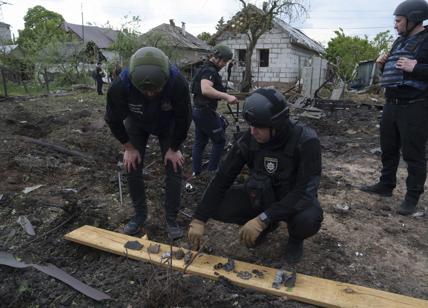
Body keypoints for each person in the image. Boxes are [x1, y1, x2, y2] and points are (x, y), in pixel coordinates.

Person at [187, 88, 323, 264]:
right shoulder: (249, 139)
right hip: (261, 195)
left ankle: (294, 239)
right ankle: (266, 226)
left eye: (258, 127)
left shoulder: (306, 141)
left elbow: (305, 192)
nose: (252, 132)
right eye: (251, 126)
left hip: (293, 200)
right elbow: (222, 178)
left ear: (277, 124)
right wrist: (199, 219)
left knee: (308, 220)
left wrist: (263, 219)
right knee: (217, 206)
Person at [105, 47, 192, 239]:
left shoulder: (178, 82)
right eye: (146, 90)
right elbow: (112, 119)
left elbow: (184, 118)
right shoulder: (120, 85)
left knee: (174, 166)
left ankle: (171, 219)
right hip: (136, 122)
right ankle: (139, 215)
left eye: (156, 90)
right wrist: (128, 147)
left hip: (168, 124)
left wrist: (174, 148)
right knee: (132, 165)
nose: (151, 94)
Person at [361, 0, 428, 215]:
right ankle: (386, 185)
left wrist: (417, 67)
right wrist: (381, 64)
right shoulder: (399, 42)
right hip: (392, 104)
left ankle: (411, 198)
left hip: (415, 106)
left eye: (398, 21)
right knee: (388, 148)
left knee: (413, 154)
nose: (395, 25)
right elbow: (394, 70)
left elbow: (413, 69)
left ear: (414, 19)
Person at [191, 45, 238, 176]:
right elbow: (206, 89)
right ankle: (213, 170)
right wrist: (227, 96)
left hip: (198, 110)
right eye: (224, 61)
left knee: (200, 141)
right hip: (205, 112)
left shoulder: (205, 68)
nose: (224, 64)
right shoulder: (209, 71)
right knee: (220, 140)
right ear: (217, 58)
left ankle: (196, 171)